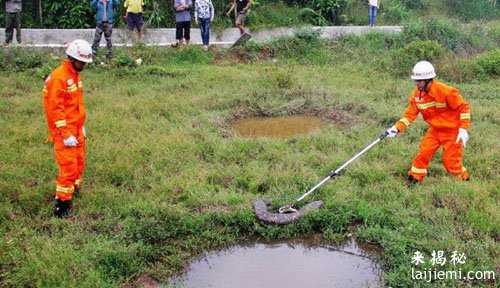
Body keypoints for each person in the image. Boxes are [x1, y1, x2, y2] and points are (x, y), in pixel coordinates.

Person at [386, 61, 471, 184]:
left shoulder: (446, 91)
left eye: (419, 81)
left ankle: (464, 181)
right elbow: (410, 115)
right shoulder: (417, 95)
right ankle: (414, 179)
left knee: (450, 161)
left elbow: (463, 107)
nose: (417, 84)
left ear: (428, 80)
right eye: (416, 81)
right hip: (435, 130)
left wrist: (463, 128)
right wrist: (396, 128)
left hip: (452, 132)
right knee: (423, 153)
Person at [43, 39, 93, 217]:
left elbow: (75, 105)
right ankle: (62, 206)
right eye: (82, 62)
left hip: (76, 129)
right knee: (68, 167)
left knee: (79, 162)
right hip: (65, 133)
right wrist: (64, 134)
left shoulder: (74, 75)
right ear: (72, 59)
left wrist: (81, 126)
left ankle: (73, 190)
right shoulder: (59, 77)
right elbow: (55, 109)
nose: (84, 65)